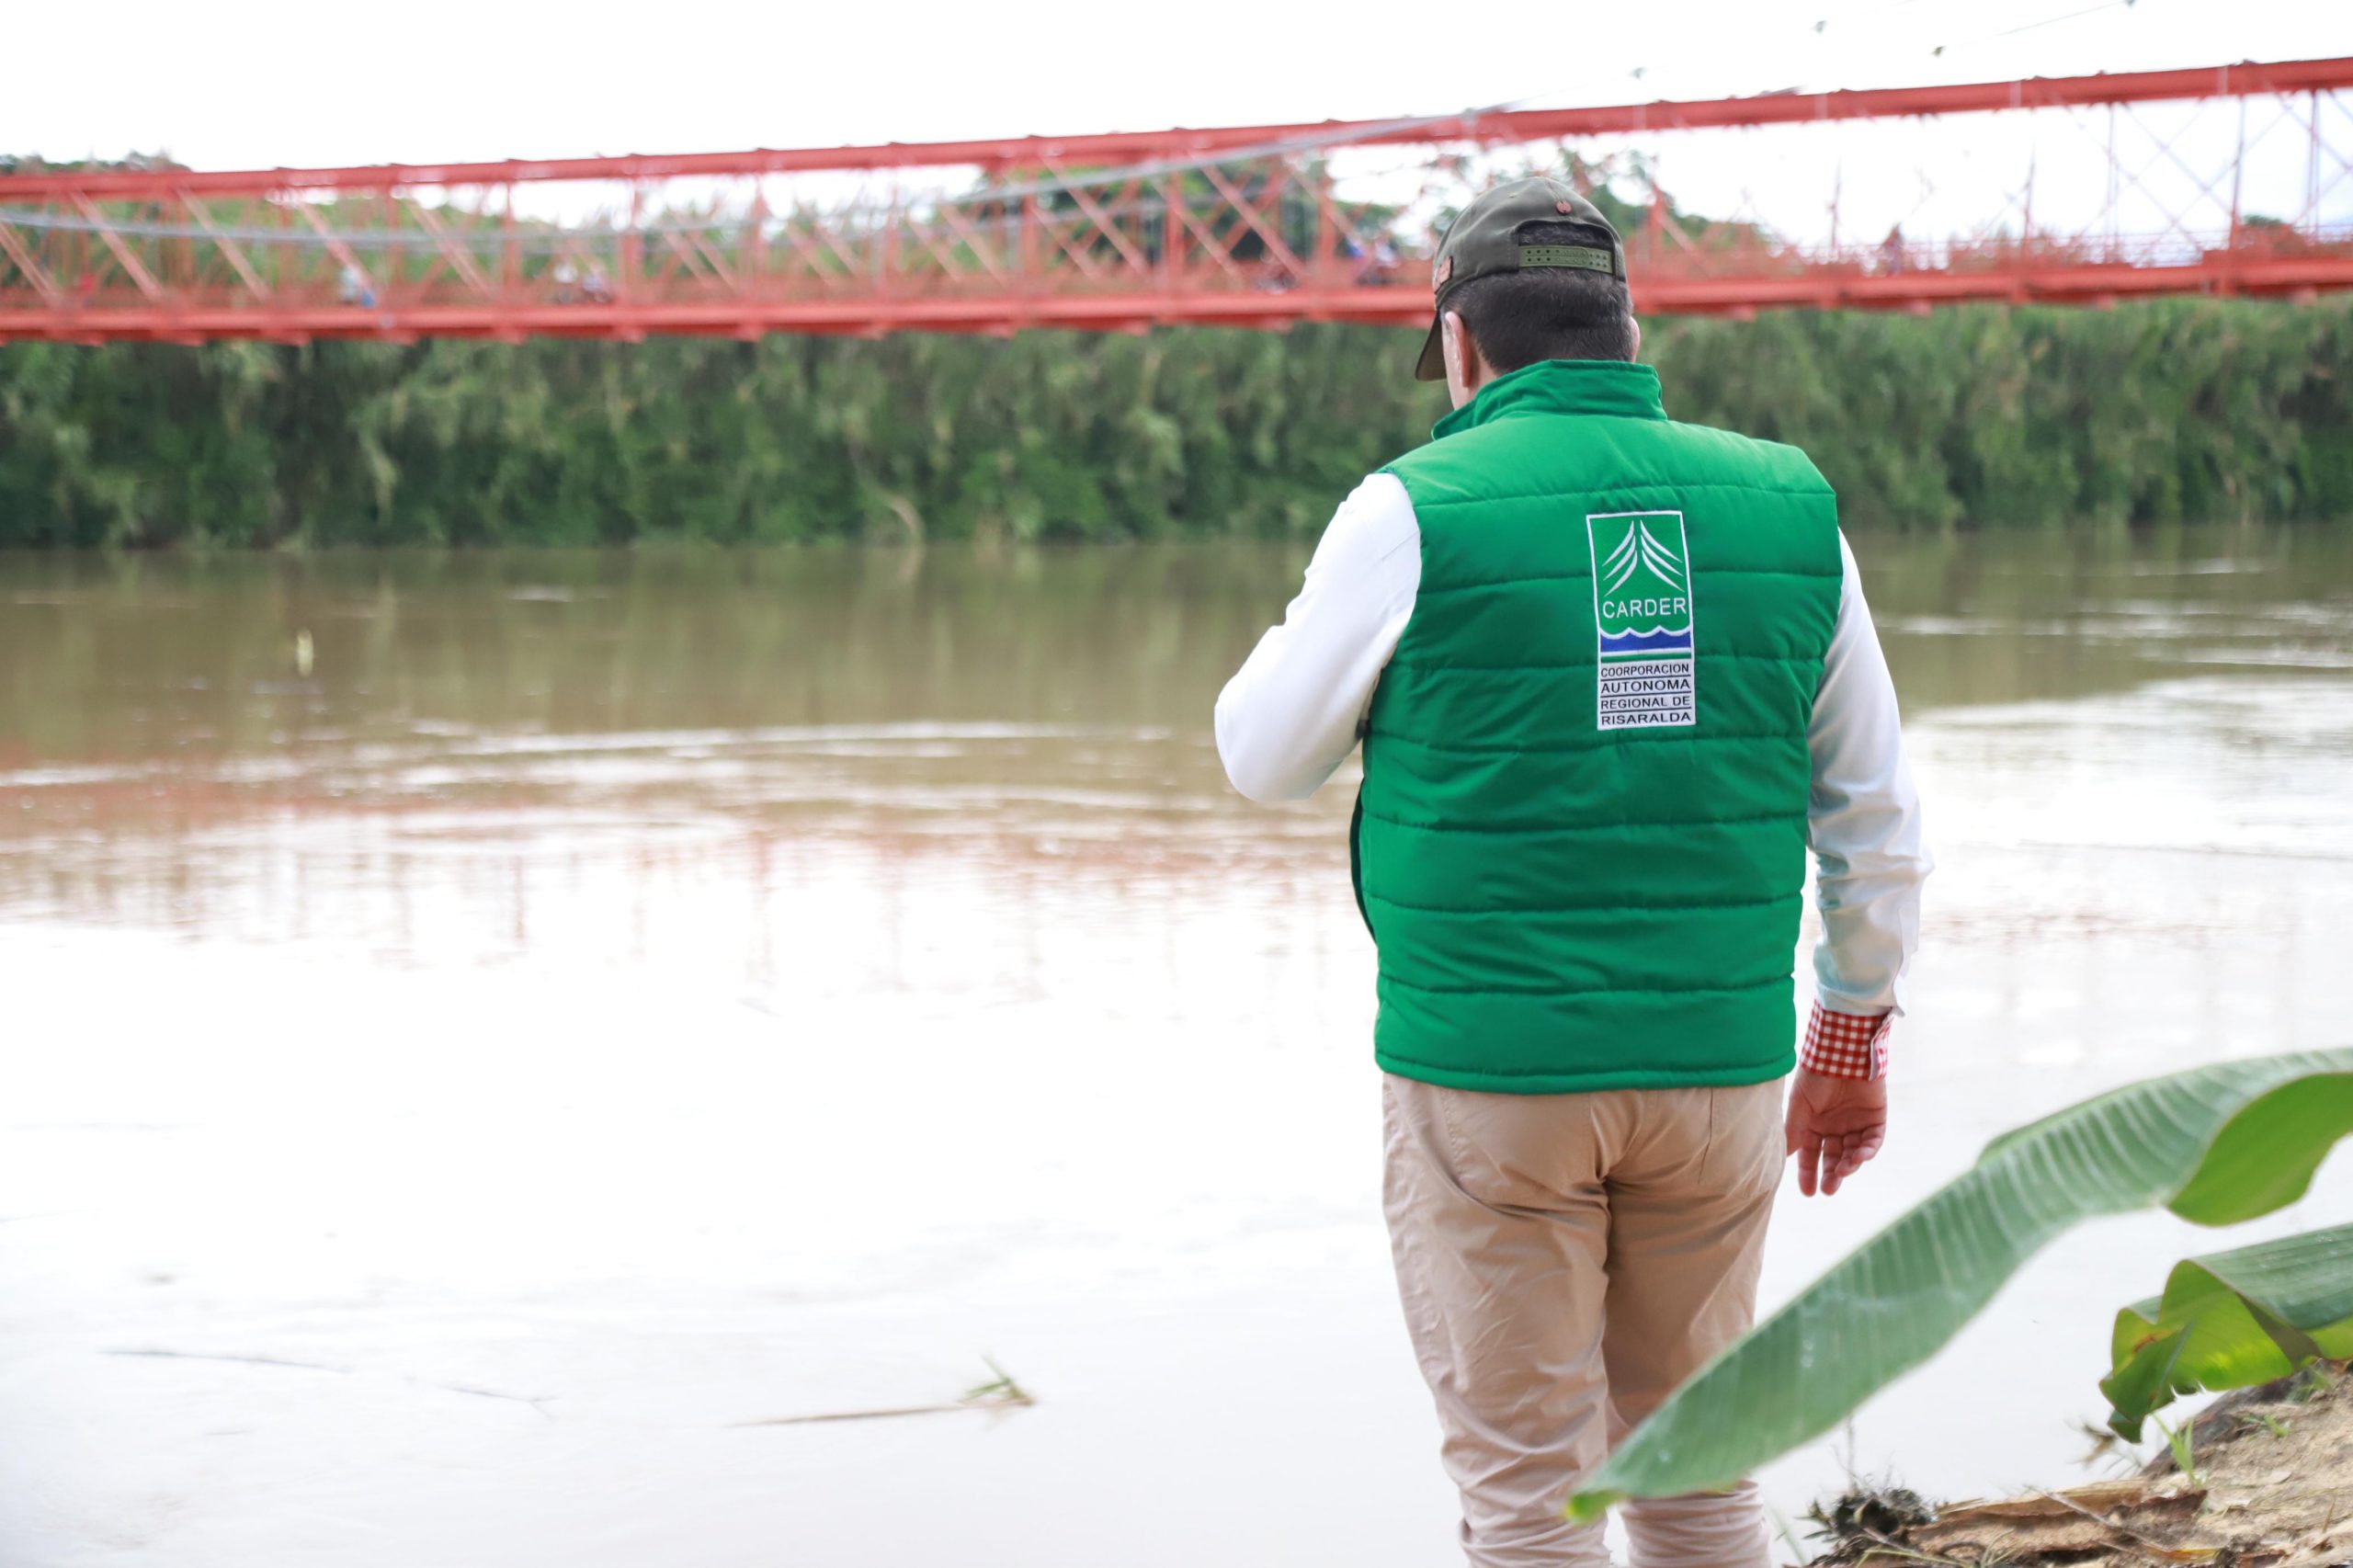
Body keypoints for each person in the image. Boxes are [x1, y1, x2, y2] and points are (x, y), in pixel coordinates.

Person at [1213, 176, 1929, 1568]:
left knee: (1528, 1491)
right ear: (1630, 328)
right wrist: (1851, 1032)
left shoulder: (1409, 510)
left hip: (1495, 1075)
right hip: (1720, 1069)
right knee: (1698, 1468)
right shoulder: (1792, 504)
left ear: (1463, 342)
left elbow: (1263, 755)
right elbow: (1874, 808)